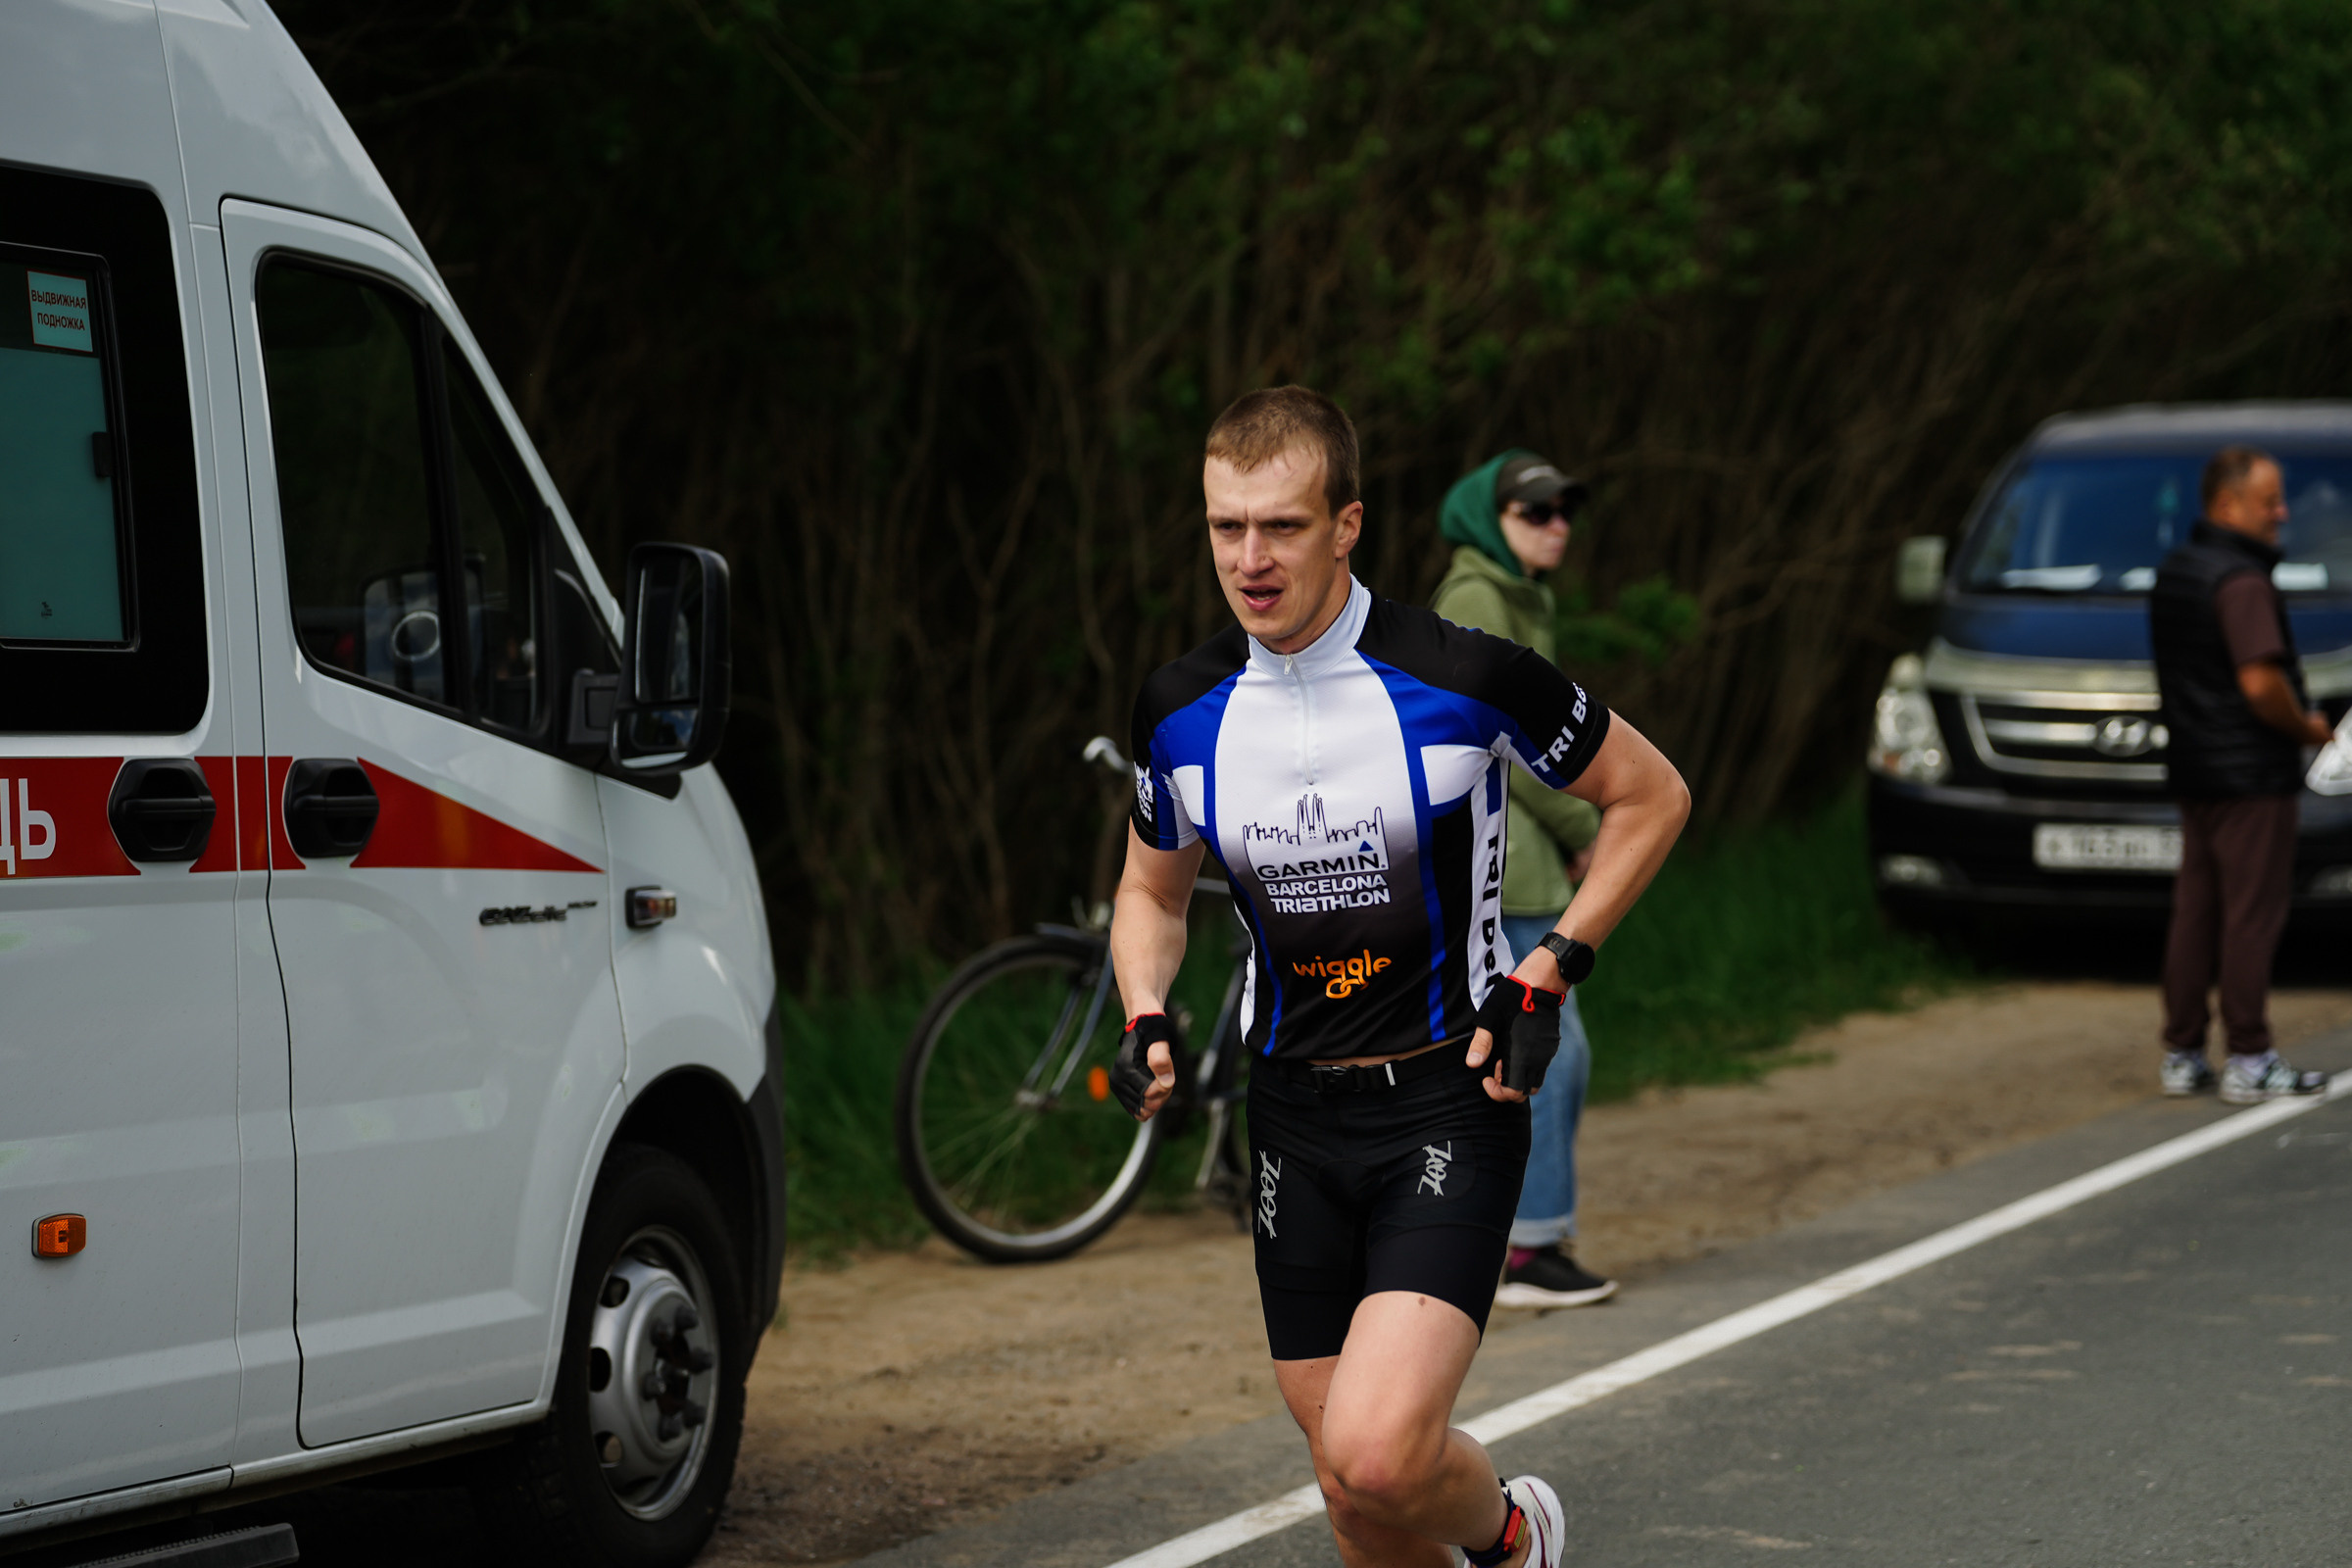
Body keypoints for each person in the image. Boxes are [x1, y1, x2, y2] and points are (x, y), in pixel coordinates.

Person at [1108, 386, 1689, 1568]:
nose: (1251, 559)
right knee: (1355, 1496)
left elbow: (1651, 795)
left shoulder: (1463, 673)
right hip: (1293, 1119)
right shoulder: (1180, 711)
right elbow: (1150, 892)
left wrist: (1553, 962)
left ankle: (1515, 1538)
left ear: (1346, 524)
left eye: (1281, 526)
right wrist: (1145, 1010)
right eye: (1227, 528)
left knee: (1379, 1453)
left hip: (1445, 1099)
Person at [1430, 451, 1614, 1308]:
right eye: (1533, 511)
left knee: (1549, 1051)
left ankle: (1519, 1240)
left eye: (1563, 509)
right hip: (1503, 867)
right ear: (1485, 519)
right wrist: (1590, 827)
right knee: (1545, 1049)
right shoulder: (1475, 602)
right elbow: (1520, 746)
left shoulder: (1518, 599)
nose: (1556, 525)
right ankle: (1525, 1253)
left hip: (1531, 872)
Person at [2150, 445, 2331, 1103]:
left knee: (2196, 910)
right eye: (2268, 502)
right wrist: (2307, 728)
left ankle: (2183, 1050)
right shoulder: (2243, 582)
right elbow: (2260, 684)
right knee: (2251, 915)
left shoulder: (2177, 571)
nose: (2281, 513)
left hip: (2195, 768)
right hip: (2250, 773)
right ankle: (2250, 1056)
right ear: (2227, 505)